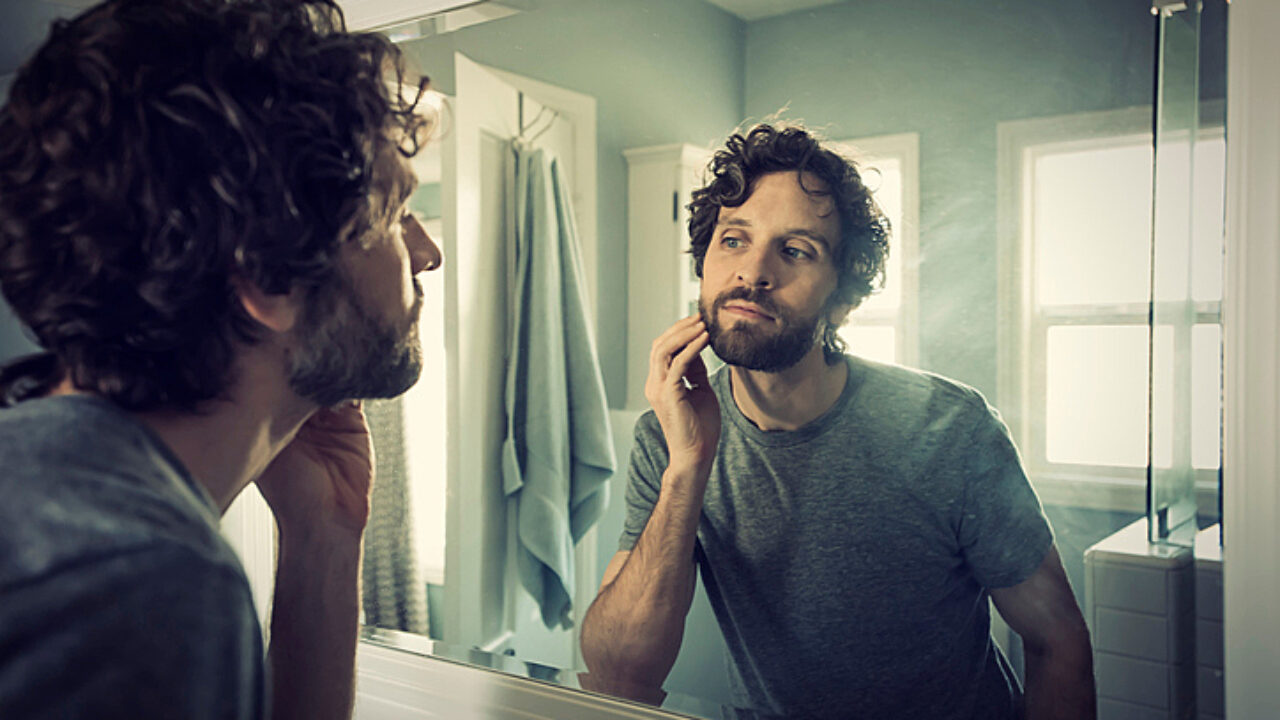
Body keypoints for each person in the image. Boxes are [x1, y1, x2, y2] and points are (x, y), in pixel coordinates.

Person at [0, 1, 441, 718]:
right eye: (392, 216)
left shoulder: (49, 486)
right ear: (268, 276)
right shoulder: (137, 580)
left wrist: (322, 538)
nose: (427, 253)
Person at [579, 123, 1095, 719]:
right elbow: (617, 673)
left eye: (795, 250)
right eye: (733, 241)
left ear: (844, 296)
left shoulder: (951, 429)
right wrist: (687, 469)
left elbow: (1058, 641)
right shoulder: (669, 438)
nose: (753, 272)